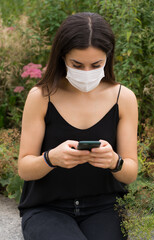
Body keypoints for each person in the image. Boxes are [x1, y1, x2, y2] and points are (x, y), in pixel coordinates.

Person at [18, 12, 138, 240]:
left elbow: (130, 173)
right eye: (77, 64)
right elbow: (24, 168)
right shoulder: (41, 96)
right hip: (47, 208)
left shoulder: (124, 98)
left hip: (104, 207)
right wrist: (51, 158)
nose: (86, 73)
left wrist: (114, 161)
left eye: (95, 65)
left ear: (108, 58)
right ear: (62, 57)